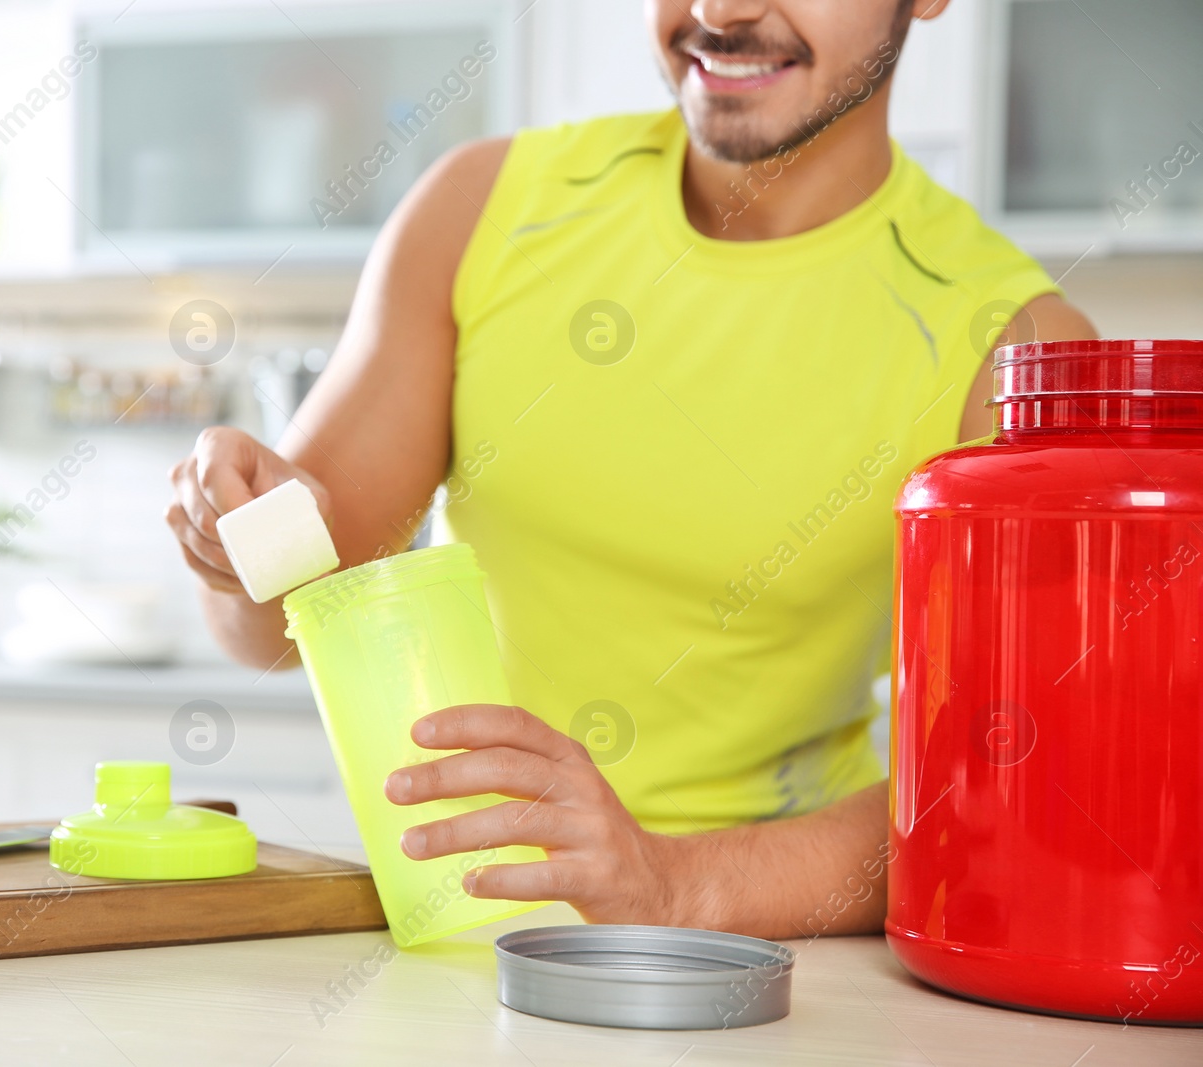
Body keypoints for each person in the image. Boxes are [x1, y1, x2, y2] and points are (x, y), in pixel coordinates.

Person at [165, 0, 1097, 939]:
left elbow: (1010, 782)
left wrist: (676, 883)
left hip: (778, 965)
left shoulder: (1013, 349)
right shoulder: (484, 208)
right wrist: (238, 533)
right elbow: (278, 629)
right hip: (471, 930)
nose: (720, 11)